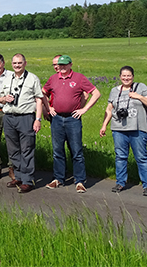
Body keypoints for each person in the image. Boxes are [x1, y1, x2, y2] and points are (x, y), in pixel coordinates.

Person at [43, 55, 101, 193]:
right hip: (56, 118)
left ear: (70, 65)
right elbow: (43, 93)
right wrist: (48, 107)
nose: (61, 68)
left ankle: (80, 181)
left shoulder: (79, 78)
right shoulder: (53, 78)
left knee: (76, 151)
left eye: (64, 65)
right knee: (57, 150)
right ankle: (58, 178)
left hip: (73, 119)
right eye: (59, 65)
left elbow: (96, 93)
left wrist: (84, 109)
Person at [100, 66, 147, 196]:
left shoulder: (140, 87)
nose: (126, 78)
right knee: (120, 157)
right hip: (118, 129)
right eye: (124, 76)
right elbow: (109, 109)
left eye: (129, 76)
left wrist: (139, 97)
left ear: (133, 76)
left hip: (138, 128)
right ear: (120, 77)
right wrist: (104, 125)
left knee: (141, 157)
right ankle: (120, 182)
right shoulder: (114, 90)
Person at [0, 54, 48, 193]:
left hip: (26, 117)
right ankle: (18, 176)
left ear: (25, 63)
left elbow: (39, 99)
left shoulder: (32, 78)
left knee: (27, 149)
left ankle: (27, 180)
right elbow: (0, 98)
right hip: (9, 116)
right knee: (13, 150)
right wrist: (4, 98)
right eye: (14, 63)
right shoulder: (7, 78)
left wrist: (38, 119)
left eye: (20, 63)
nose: (17, 65)